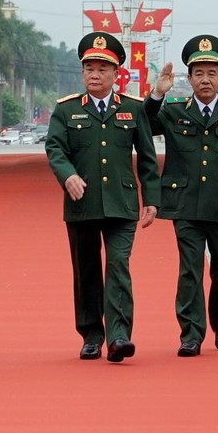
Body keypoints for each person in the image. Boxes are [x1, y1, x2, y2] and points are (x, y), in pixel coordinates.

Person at [44, 32, 160, 363]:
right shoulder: (66, 110)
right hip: (82, 204)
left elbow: (148, 157)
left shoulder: (133, 109)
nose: (94, 75)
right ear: (83, 72)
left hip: (121, 203)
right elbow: (55, 148)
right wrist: (68, 176)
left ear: (116, 73)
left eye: (102, 69)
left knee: (118, 265)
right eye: (89, 69)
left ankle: (120, 335)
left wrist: (151, 198)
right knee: (86, 270)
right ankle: (92, 334)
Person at [144, 36, 218, 356]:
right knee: (190, 270)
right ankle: (191, 334)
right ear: (189, 78)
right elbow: (145, 123)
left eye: (211, 73)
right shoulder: (175, 111)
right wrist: (157, 94)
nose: (205, 79)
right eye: (198, 73)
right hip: (186, 205)